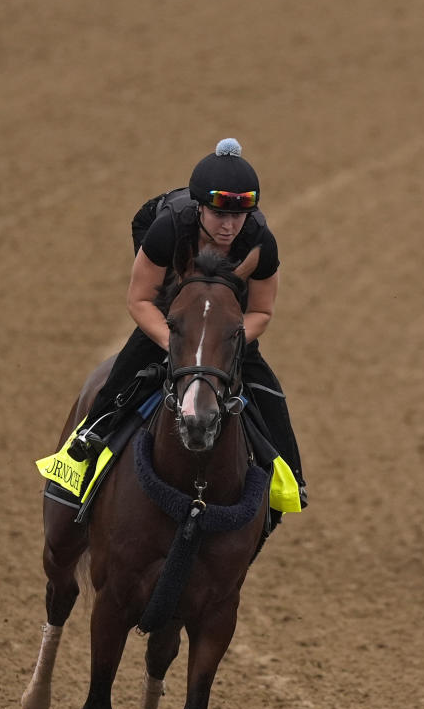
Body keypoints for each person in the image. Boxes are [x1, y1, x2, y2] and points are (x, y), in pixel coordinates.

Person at [64, 138, 305, 505]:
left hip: (226, 306)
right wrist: (177, 341)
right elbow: (140, 299)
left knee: (266, 386)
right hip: (172, 279)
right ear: (200, 209)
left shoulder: (260, 242)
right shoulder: (169, 229)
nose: (229, 226)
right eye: (219, 214)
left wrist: (226, 342)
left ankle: (292, 477)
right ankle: (90, 435)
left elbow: (261, 312)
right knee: (142, 351)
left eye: (238, 216)